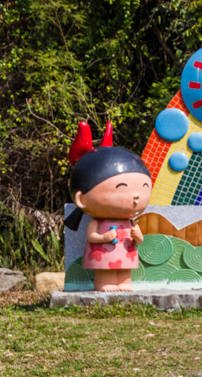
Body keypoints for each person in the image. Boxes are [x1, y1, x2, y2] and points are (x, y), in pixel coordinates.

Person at [63, 121, 152, 291]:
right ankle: (104, 283)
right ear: (82, 199)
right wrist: (103, 238)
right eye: (122, 188)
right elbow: (91, 236)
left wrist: (138, 235)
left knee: (124, 270)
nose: (136, 196)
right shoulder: (97, 222)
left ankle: (124, 282)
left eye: (144, 188)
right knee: (106, 269)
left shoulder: (131, 222)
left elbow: (140, 240)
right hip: (105, 253)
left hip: (126, 252)